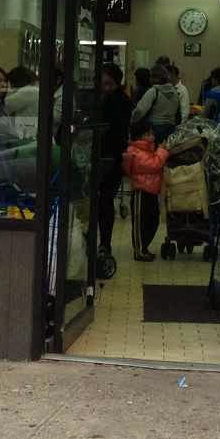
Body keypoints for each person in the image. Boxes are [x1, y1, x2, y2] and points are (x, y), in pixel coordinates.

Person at [96, 64, 133, 278]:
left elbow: (115, 131)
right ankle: (103, 243)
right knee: (105, 200)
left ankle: (104, 243)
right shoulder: (123, 101)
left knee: (104, 200)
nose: (105, 87)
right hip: (112, 157)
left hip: (109, 157)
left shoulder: (116, 102)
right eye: (103, 83)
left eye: (108, 83)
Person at [122, 121, 168, 262]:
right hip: (141, 192)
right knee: (140, 223)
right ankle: (139, 251)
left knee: (153, 221)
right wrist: (162, 151)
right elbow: (154, 165)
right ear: (139, 136)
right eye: (148, 134)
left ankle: (144, 247)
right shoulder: (134, 152)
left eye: (152, 134)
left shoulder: (149, 150)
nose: (152, 137)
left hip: (153, 192)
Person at [130, 61, 184, 142]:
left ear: (155, 78)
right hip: (170, 130)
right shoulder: (175, 92)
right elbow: (178, 113)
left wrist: (132, 120)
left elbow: (140, 111)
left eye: (151, 77)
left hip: (154, 131)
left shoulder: (154, 91)